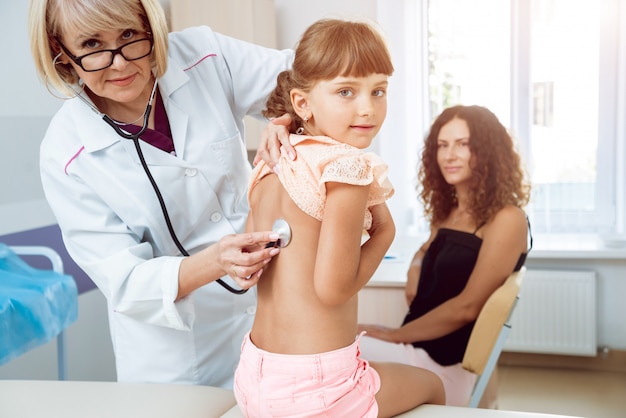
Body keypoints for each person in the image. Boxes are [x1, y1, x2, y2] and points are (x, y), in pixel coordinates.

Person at [28, 0, 296, 389]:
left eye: (129, 35)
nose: (119, 63)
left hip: (270, 322)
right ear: (62, 53)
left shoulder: (204, 55)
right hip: (177, 361)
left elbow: (307, 80)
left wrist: (286, 116)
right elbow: (125, 281)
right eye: (91, 45)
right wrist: (216, 261)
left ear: (149, 25)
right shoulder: (66, 153)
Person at [233, 18, 445, 418]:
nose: (368, 107)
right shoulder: (346, 165)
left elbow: (245, 274)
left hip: (253, 378)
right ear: (302, 103)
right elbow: (332, 290)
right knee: (433, 385)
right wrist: (386, 233)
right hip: (318, 391)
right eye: (346, 91)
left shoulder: (269, 163)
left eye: (378, 90)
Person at [358, 104, 532, 406]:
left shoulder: (508, 219)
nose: (450, 155)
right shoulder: (450, 213)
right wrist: (414, 268)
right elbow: (425, 249)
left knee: (329, 346)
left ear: (488, 151)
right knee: (333, 339)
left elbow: (468, 307)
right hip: (416, 349)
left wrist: (396, 335)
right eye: (442, 145)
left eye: (463, 144)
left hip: (439, 368)